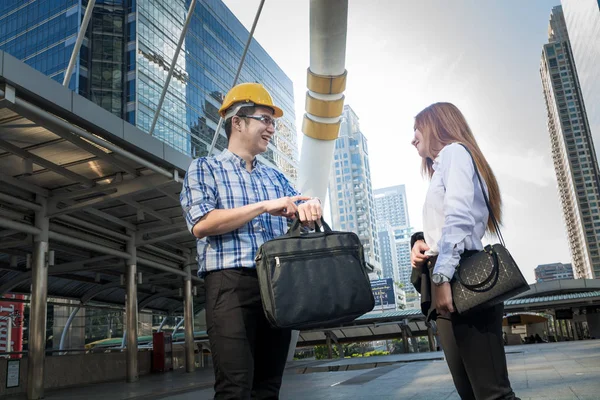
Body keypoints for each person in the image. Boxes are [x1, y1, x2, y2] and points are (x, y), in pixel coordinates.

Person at [180, 82, 322, 399]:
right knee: (235, 388)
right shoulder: (204, 169)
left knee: (268, 387)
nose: (272, 128)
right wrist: (263, 206)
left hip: (277, 286)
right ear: (238, 121)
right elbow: (202, 223)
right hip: (230, 285)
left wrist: (308, 211)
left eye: (274, 122)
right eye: (265, 119)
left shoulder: (277, 178)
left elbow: (303, 225)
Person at [409, 102, 518, 400]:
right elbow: (445, 223)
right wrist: (421, 242)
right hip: (450, 275)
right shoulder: (443, 165)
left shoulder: (455, 152)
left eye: (417, 128)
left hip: (463, 278)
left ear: (436, 126)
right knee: (472, 393)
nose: (413, 138)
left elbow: (458, 217)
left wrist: (443, 277)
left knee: (492, 394)